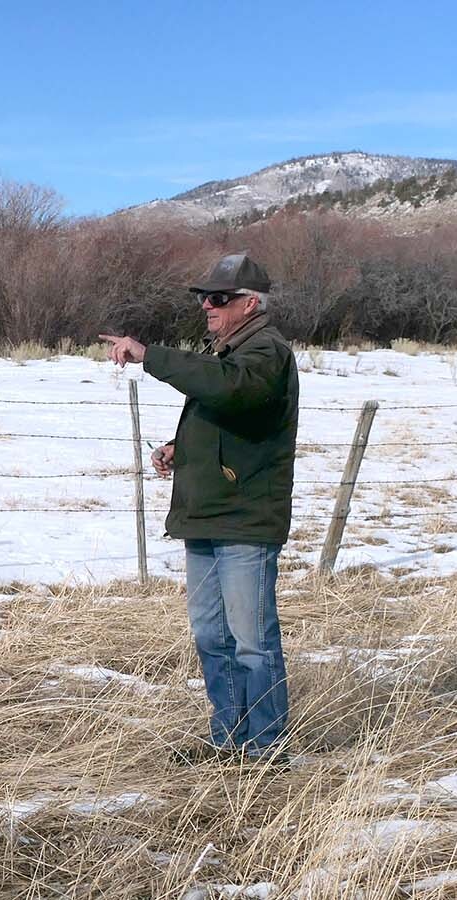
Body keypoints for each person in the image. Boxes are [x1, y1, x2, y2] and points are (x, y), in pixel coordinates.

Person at [99, 251, 299, 766]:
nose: (206, 306)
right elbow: (229, 417)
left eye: (218, 298)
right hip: (208, 515)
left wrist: (152, 356)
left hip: (245, 521)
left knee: (252, 641)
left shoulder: (265, 351)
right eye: (203, 297)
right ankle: (228, 740)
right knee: (213, 636)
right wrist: (180, 449)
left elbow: (232, 392)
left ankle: (267, 751)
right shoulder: (233, 349)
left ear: (250, 303)